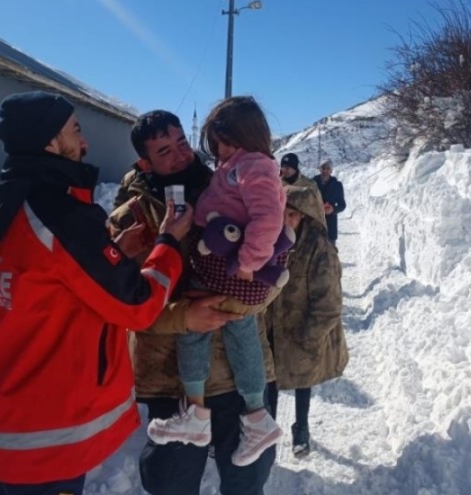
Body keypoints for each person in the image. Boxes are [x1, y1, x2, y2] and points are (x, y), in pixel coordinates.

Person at [0, 91, 192, 495]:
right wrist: (169, 243)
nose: (84, 141)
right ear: (50, 142)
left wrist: (114, 253)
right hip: (47, 438)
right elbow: (138, 305)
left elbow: (48, 284)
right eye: (75, 129)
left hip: (3, 427)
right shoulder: (61, 215)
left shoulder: (0, 205)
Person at [108, 110, 277, 495]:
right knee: (172, 485)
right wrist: (186, 316)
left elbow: (275, 273)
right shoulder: (129, 220)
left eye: (182, 142)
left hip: (242, 374)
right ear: (144, 163)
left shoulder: (235, 186)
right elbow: (119, 307)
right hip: (171, 380)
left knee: (247, 483)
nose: (181, 155)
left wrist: (236, 304)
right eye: (165, 151)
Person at [145, 97, 285, 467]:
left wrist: (249, 262)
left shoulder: (251, 166)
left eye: (224, 143)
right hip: (226, 266)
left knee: (197, 326)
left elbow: (268, 218)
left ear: (246, 136)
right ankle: (255, 417)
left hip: (232, 269)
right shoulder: (234, 167)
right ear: (146, 162)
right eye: (164, 151)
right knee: (232, 328)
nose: (218, 152)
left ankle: (198, 413)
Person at [263, 184, 349, 458]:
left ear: (305, 216)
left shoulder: (319, 249)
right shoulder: (270, 242)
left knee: (302, 379)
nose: (286, 220)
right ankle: (268, 431)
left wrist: (310, 337)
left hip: (304, 329)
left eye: (293, 214)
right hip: (273, 328)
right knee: (270, 381)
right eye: (282, 213)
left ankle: (301, 427)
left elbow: (329, 302)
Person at [279, 152, 326, 230]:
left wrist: (321, 229)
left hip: (304, 229)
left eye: (288, 167)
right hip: (282, 227)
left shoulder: (309, 185)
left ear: (295, 168)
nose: (284, 170)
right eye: (283, 167)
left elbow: (319, 210)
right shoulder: (276, 184)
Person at [312, 160, 346, 246]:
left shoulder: (337, 185)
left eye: (328, 168)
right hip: (315, 223)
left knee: (330, 254)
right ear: (320, 169)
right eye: (323, 168)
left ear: (331, 170)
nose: (325, 171)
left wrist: (333, 209)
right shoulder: (312, 183)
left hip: (330, 225)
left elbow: (342, 205)